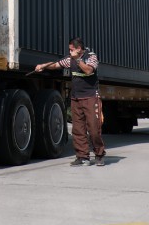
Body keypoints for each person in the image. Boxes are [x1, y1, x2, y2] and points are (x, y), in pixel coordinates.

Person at [34, 37, 106, 166]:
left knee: (94, 129)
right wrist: (43, 66)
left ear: (79, 49)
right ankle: (82, 156)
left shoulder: (91, 57)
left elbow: (89, 70)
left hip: (90, 97)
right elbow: (56, 64)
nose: (70, 51)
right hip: (76, 98)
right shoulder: (70, 59)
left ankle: (99, 155)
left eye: (71, 49)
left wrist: (77, 60)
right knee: (78, 129)